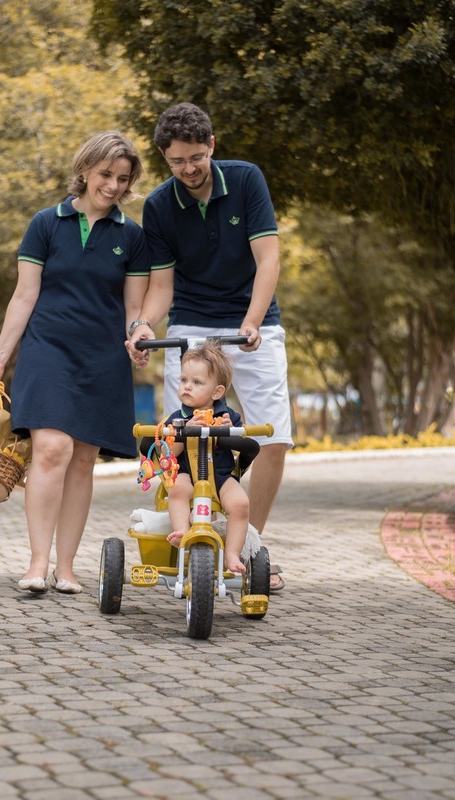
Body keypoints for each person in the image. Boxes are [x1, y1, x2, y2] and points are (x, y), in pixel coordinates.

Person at [126, 102, 292, 590]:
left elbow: (268, 259)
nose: (189, 169)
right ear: (165, 158)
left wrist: (253, 320)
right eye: (177, 161)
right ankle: (188, 535)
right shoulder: (158, 206)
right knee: (175, 442)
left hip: (251, 326)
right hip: (192, 328)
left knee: (274, 436)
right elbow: (162, 288)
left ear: (212, 146)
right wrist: (142, 326)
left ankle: (249, 546)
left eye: (196, 157)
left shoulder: (245, 181)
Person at [0, 131, 149, 595]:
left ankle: (67, 567)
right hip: (47, 349)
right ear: (86, 169)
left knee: (83, 459)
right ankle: (37, 563)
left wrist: (141, 333)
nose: (113, 186)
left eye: (122, 178)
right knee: (52, 448)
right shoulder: (45, 224)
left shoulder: (131, 236)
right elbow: (23, 295)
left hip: (102, 357)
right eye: (105, 174)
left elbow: (134, 309)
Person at [161, 343, 250, 574]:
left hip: (219, 476)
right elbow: (170, 452)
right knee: (178, 489)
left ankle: (231, 553)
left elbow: (244, 443)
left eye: (197, 382)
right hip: (186, 473)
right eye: (183, 381)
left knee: (240, 504)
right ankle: (182, 533)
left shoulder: (228, 416)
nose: (187, 387)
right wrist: (182, 431)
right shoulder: (177, 418)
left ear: (217, 392)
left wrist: (230, 431)